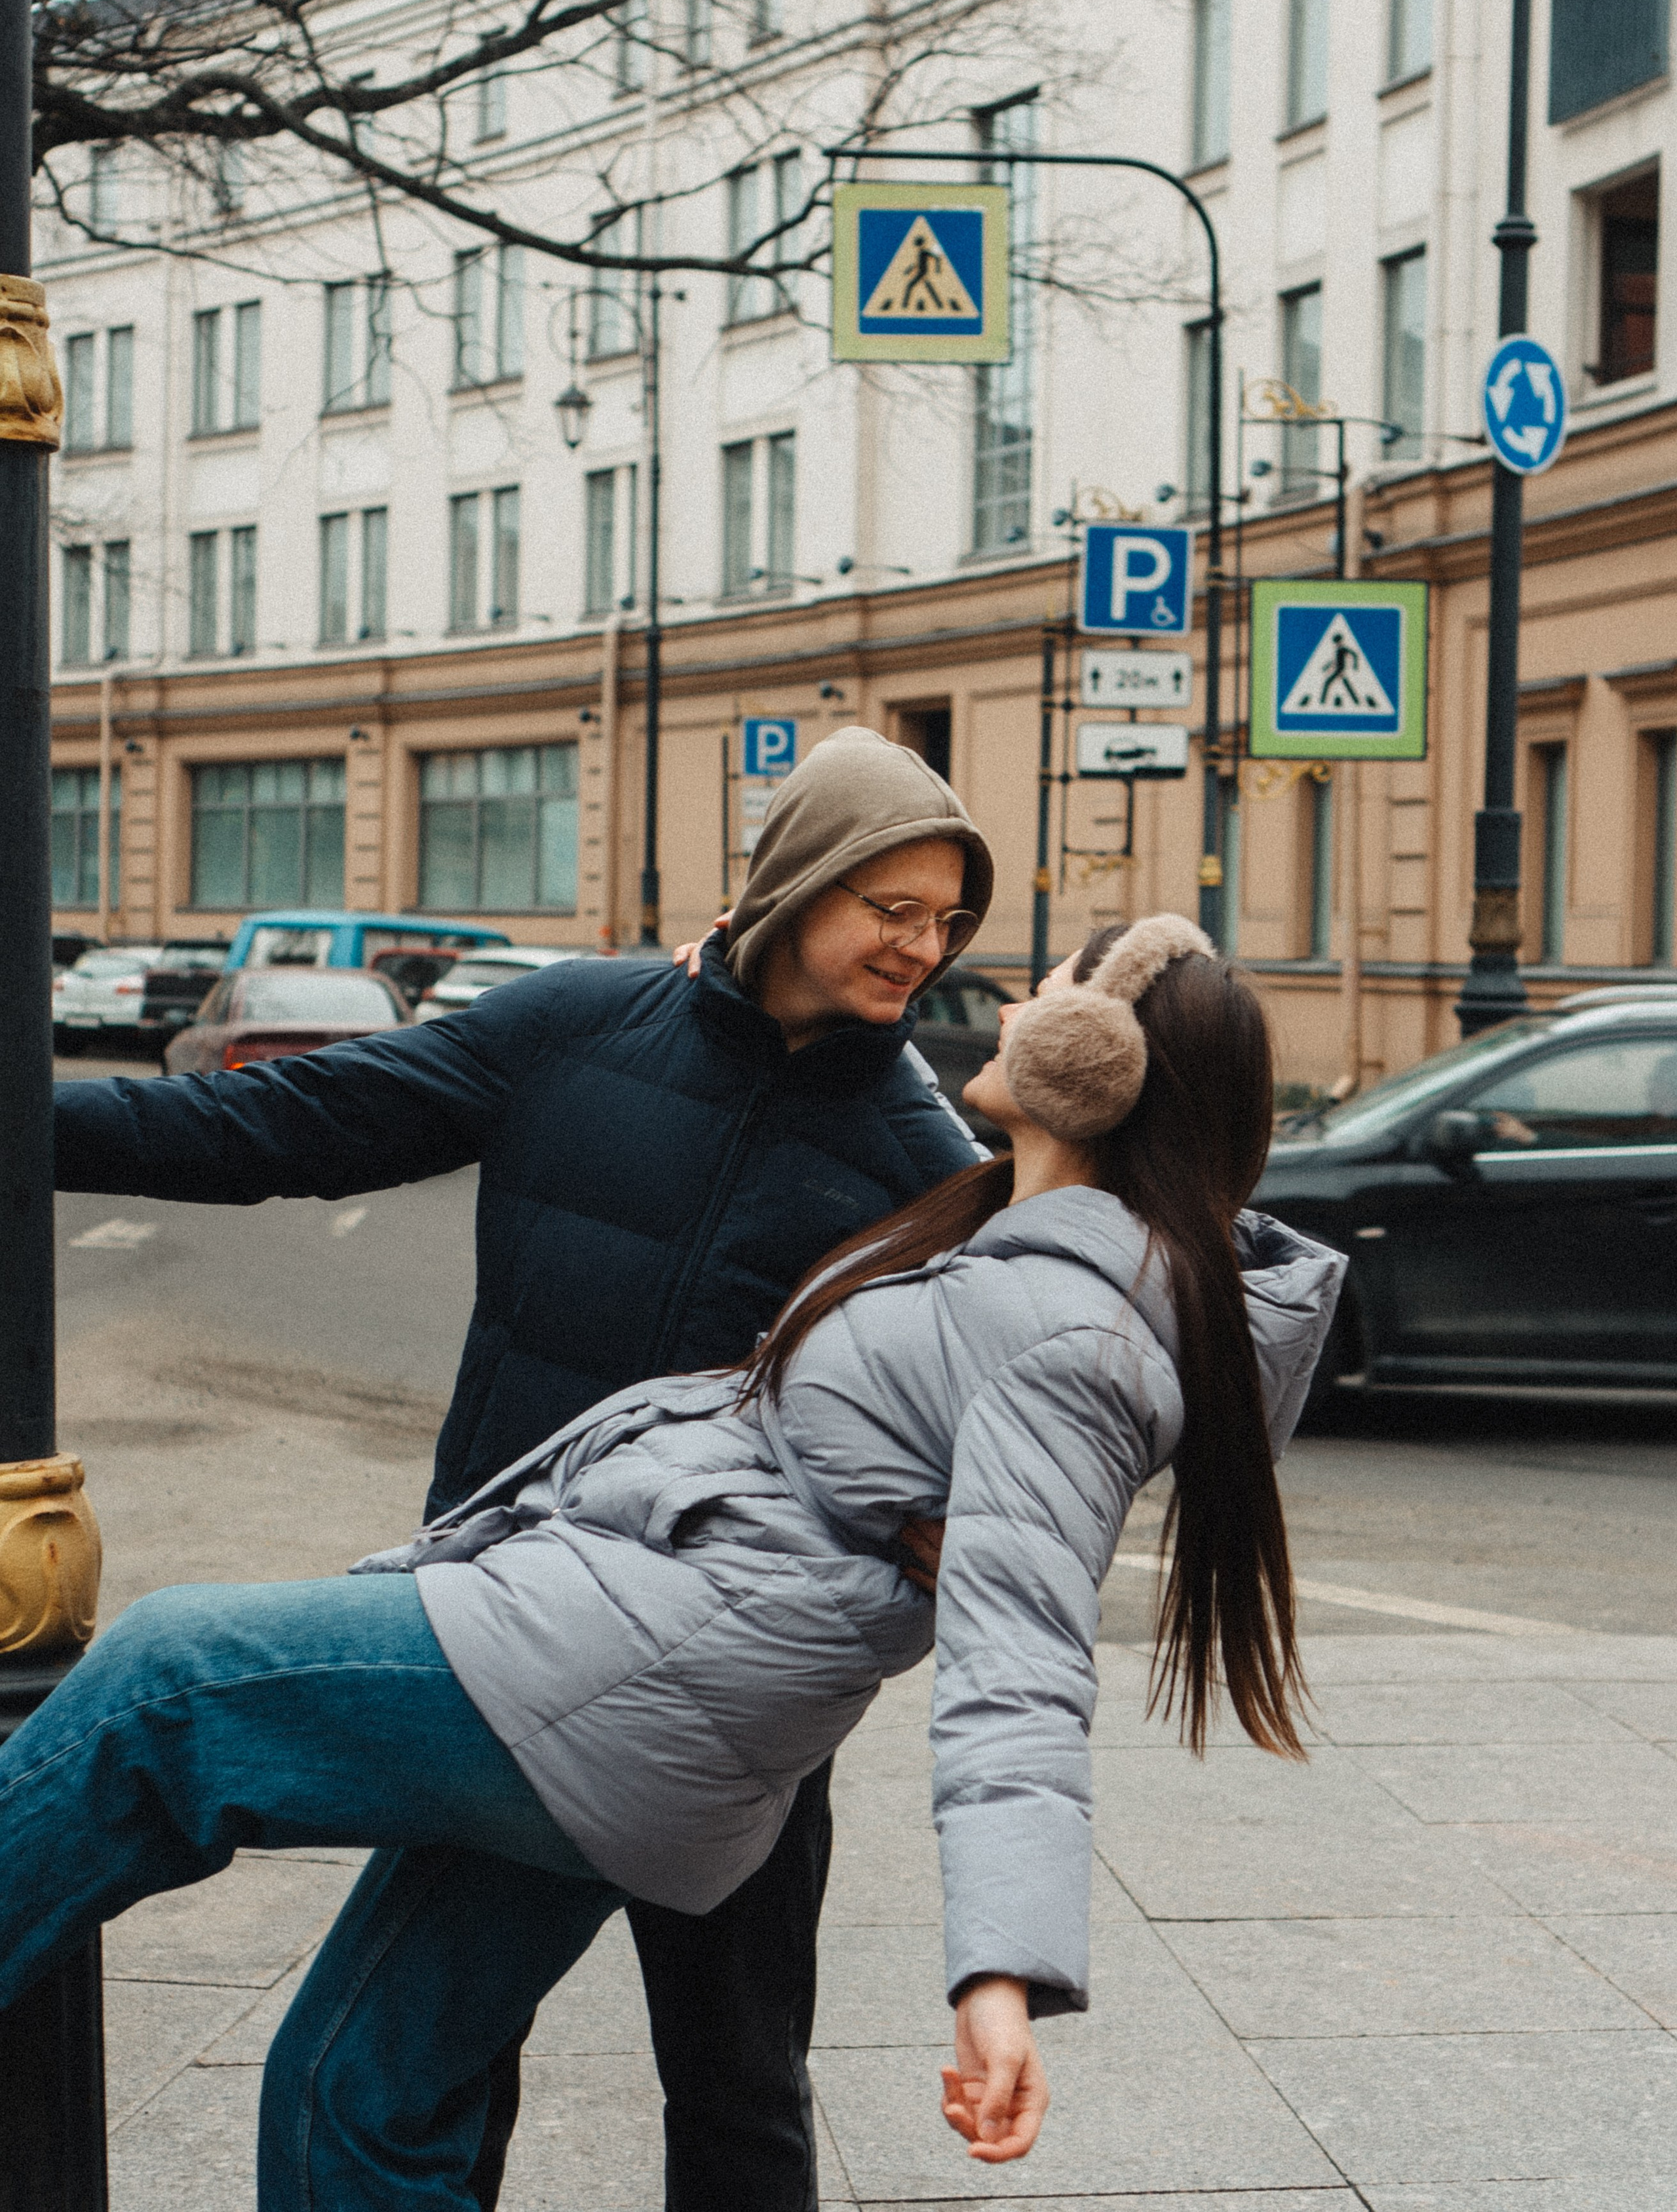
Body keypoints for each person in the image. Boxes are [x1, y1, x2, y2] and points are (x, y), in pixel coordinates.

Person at [7, 913, 1346, 2206]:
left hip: (632, 1669)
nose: (986, 994)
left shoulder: (1072, 1335)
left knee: (164, 1685)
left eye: (1038, 985)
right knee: (359, 2086)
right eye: (890, 910)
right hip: (634, 1694)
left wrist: (1000, 1972)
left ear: (1094, 1064)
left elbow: (1022, 1669)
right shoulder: (1014, 1240)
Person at [50, 725, 993, 2212]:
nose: (920, 947)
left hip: (709, 1681)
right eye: (892, 907)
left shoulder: (920, 1166)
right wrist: (36, 1126)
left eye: (946, 921)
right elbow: (278, 1125)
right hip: (504, 1628)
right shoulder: (574, 1023)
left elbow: (974, 1434)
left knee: (736, 2081)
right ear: (797, 881)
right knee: (434, 2060)